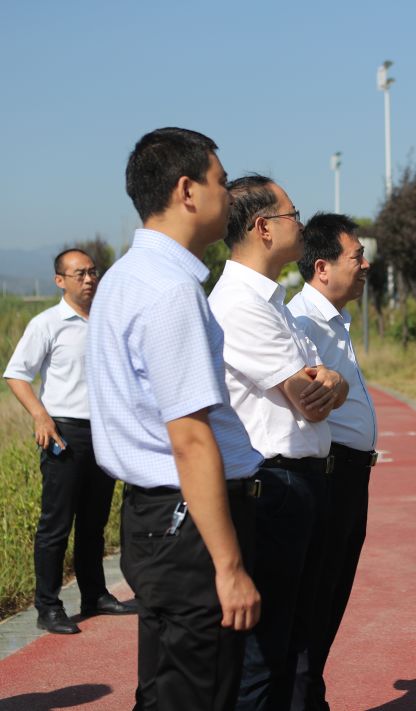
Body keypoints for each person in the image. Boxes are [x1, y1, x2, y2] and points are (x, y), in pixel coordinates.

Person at [87, 127, 264, 710]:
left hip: (153, 517)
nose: (228, 194)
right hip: (185, 524)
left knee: (168, 689)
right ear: (187, 191)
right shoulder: (168, 291)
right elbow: (189, 438)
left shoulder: (124, 278)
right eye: (220, 181)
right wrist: (230, 566)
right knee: (199, 691)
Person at [208, 175, 348, 710]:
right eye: (294, 214)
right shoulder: (240, 304)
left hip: (300, 482)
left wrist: (328, 383)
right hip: (274, 485)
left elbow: (328, 386)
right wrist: (324, 384)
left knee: (292, 643)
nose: (301, 224)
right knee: (264, 658)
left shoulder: (277, 304)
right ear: (264, 228)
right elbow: (308, 395)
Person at [4, 249, 135, 635]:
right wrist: (40, 416)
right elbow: (16, 374)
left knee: (93, 523)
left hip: (104, 432)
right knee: (55, 525)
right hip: (64, 432)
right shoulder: (47, 324)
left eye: (93, 272)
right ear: (60, 280)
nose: (89, 279)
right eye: (79, 274)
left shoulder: (109, 322)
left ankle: (94, 594)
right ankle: (48, 605)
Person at [287, 213, 378, 710]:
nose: (366, 264)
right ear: (322, 267)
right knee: (314, 600)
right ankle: (303, 698)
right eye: (356, 256)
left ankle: (310, 693)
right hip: (328, 474)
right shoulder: (302, 321)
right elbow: (309, 401)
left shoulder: (333, 319)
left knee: (331, 596)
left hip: (349, 474)